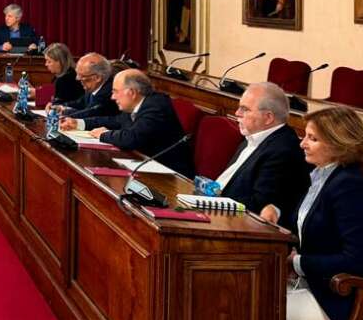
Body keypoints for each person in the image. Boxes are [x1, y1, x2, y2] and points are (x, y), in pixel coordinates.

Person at [285, 105, 363, 320]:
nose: (302, 144)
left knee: (262, 305)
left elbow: (356, 259)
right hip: (311, 283)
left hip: (337, 297)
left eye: (313, 139)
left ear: (338, 144)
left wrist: (298, 262)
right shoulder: (322, 175)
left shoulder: (349, 184)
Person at [61, 69, 194, 177]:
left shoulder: (156, 106)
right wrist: (79, 123)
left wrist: (103, 134)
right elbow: (114, 121)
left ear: (131, 93)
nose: (112, 97)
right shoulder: (135, 105)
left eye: (115, 91)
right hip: (145, 165)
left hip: (171, 176)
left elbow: (131, 138)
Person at [216, 82, 310, 230]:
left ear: (268, 118)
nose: (237, 113)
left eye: (245, 109)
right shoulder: (253, 136)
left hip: (235, 225)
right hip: (217, 211)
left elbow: (258, 206)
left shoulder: (283, 150)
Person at [55, 53, 116, 118]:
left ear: (98, 78)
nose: (77, 78)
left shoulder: (108, 93)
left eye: (82, 75)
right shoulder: (93, 87)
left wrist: (65, 111)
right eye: (77, 74)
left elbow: (89, 113)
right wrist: (60, 106)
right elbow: (80, 103)